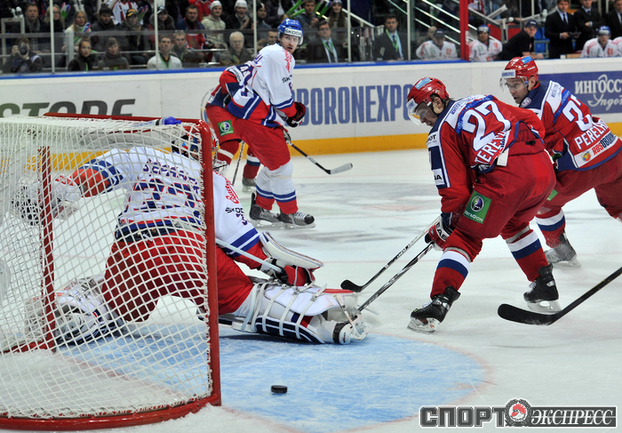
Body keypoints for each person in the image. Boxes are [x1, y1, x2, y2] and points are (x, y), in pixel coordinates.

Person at [28, 122, 369, 345]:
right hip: (188, 251)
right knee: (245, 298)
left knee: (121, 306)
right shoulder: (212, 178)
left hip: (130, 252)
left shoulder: (143, 155)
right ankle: (321, 320)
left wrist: (58, 192)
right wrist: (283, 268)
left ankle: (72, 311)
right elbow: (239, 240)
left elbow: (94, 175)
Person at [405, 77, 558, 332]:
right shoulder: (481, 99)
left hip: (508, 180)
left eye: (422, 112)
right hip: (543, 171)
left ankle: (439, 303)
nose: (422, 120)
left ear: (437, 101)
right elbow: (531, 120)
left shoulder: (441, 131)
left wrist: (449, 223)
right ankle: (544, 284)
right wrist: (528, 154)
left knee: (466, 236)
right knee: (514, 224)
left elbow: (455, 192)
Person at [501, 56, 622, 266]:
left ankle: (561, 249)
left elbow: (526, 151)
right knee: (619, 206)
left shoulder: (532, 111)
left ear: (531, 81)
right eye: (509, 85)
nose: (512, 91)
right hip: (613, 152)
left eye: (516, 85)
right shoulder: (551, 86)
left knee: (542, 202)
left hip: (582, 167)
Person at [205, 19, 314, 228]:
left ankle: (261, 208)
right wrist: (292, 115)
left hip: (252, 116)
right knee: (281, 166)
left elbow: (269, 96)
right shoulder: (280, 56)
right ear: (280, 37)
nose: (291, 42)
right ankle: (289, 213)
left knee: (274, 166)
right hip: (251, 117)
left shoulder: (269, 52)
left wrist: (280, 122)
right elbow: (281, 100)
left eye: (295, 39)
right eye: (288, 37)